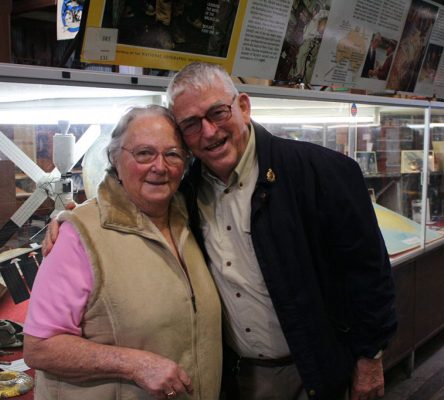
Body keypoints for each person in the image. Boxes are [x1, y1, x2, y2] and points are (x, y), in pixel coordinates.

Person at [44, 63, 397, 400]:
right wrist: (73, 218)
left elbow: (369, 273)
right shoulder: (186, 190)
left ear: (243, 106)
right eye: (191, 125)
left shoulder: (323, 172)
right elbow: (131, 199)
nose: (209, 132)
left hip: (316, 371)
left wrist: (370, 358)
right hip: (233, 377)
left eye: (217, 113)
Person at [25, 105, 222, 400]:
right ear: (115, 158)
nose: (160, 166)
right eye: (144, 153)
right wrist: (135, 365)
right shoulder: (79, 235)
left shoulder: (191, 216)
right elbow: (39, 346)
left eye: (172, 154)